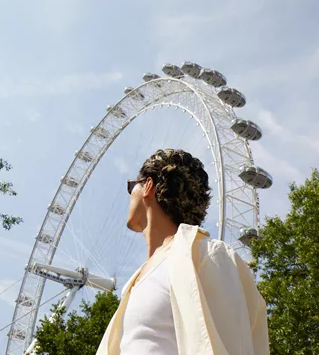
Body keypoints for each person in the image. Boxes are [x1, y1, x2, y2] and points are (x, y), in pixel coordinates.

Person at [96, 149, 269, 355]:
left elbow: (232, 346)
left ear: (148, 186)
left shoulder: (207, 255)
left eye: (132, 186)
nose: (130, 193)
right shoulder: (133, 283)